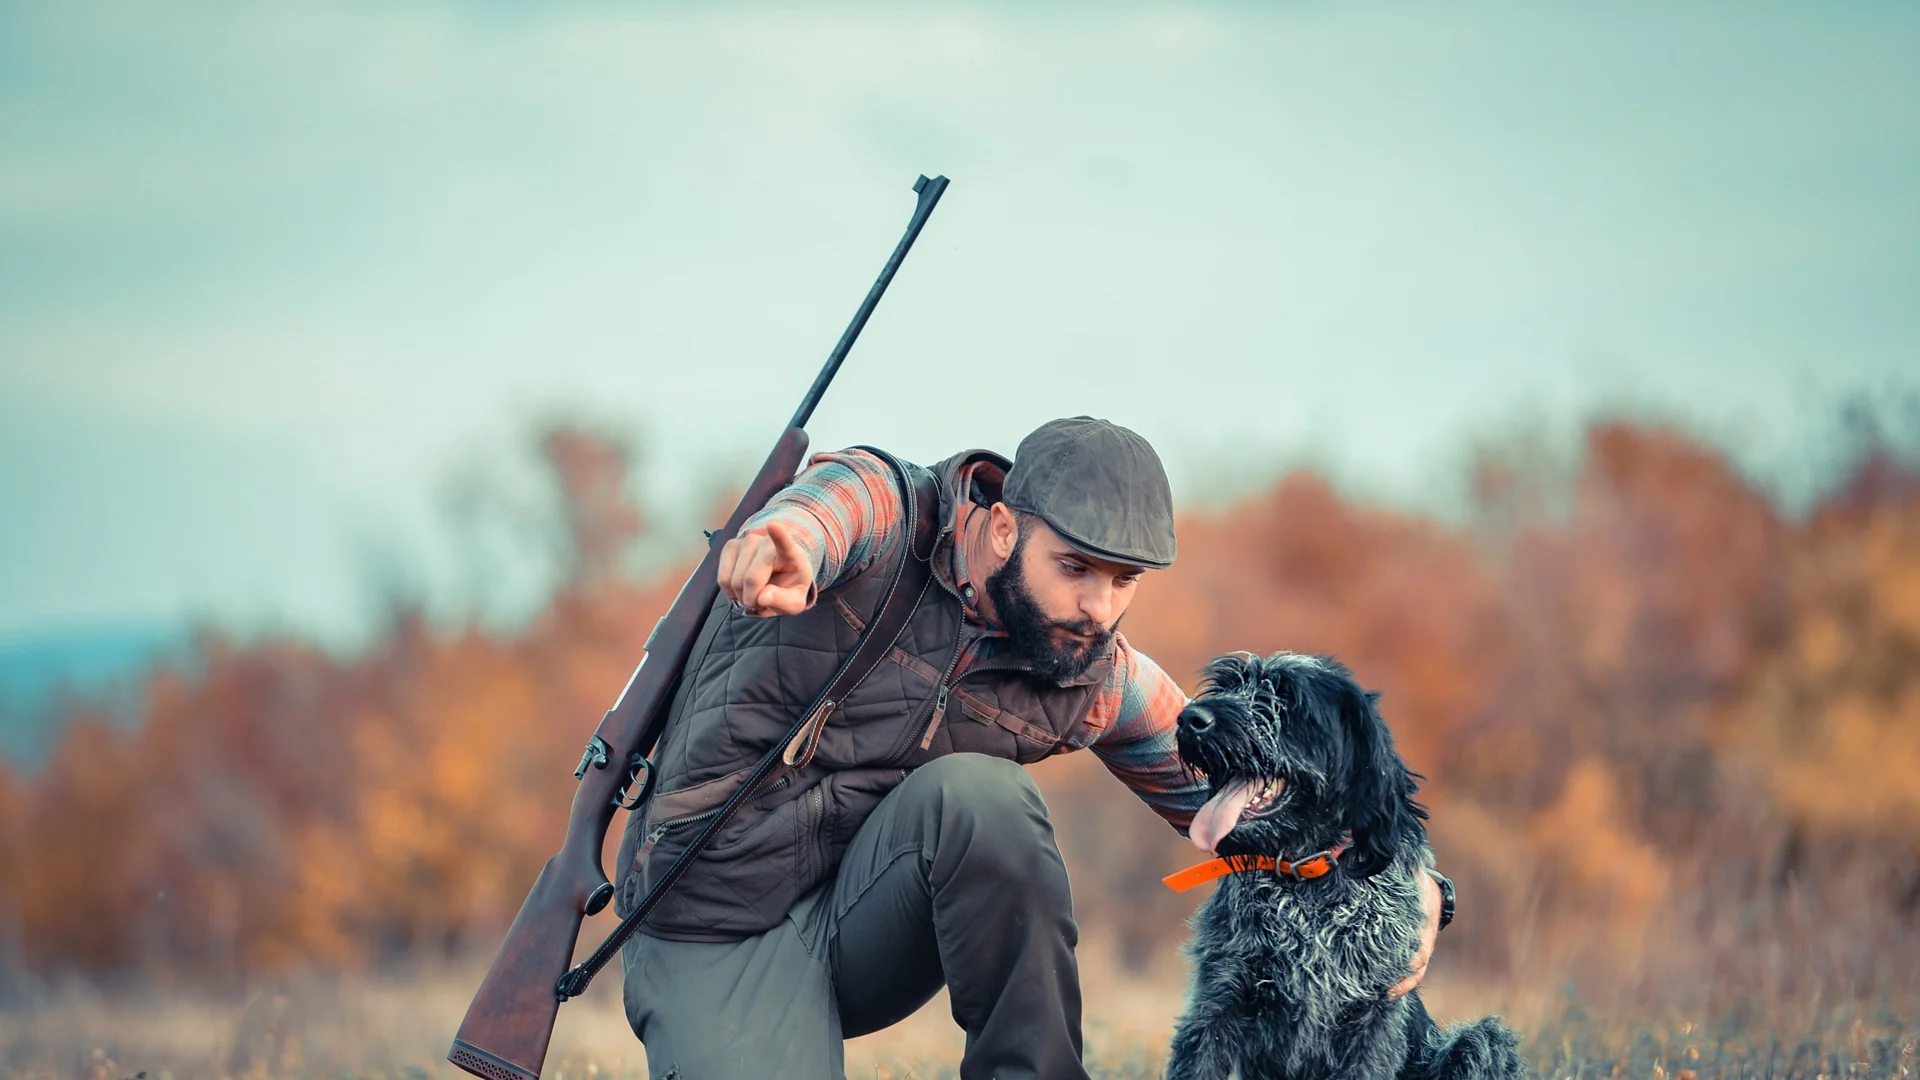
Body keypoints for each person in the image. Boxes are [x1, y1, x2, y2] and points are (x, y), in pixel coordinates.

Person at [615, 416, 1446, 1080]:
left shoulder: (1092, 675)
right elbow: (835, 503)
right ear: (1005, 527)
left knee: (985, 799)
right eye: (1076, 567)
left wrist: (1417, 880)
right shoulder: (890, 512)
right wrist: (784, 542)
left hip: (862, 925)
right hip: (713, 923)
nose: (1099, 606)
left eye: (1123, 581)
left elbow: (1282, 795)